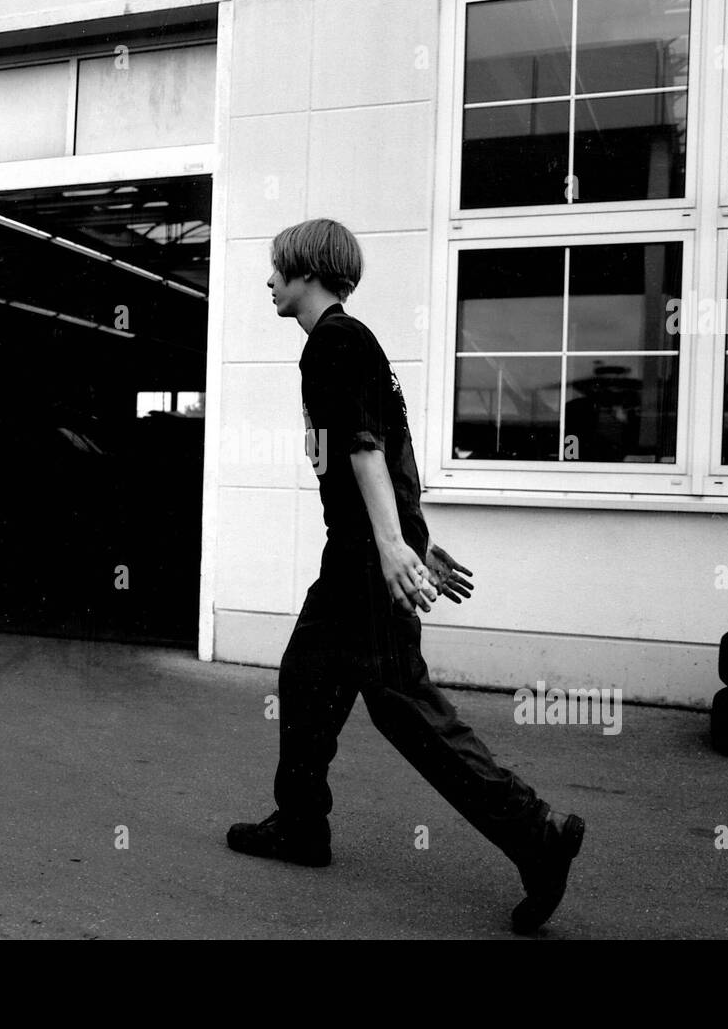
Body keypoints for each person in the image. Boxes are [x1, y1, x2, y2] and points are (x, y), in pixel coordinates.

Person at [226, 218, 585, 934]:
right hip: (359, 552)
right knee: (305, 679)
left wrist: (395, 548)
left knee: (403, 705)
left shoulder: (334, 341)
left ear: (305, 273)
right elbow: (395, 451)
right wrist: (416, 541)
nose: (267, 281)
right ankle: (301, 826)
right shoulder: (354, 346)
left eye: (276, 270)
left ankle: (535, 832)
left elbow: (363, 449)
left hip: (363, 556)